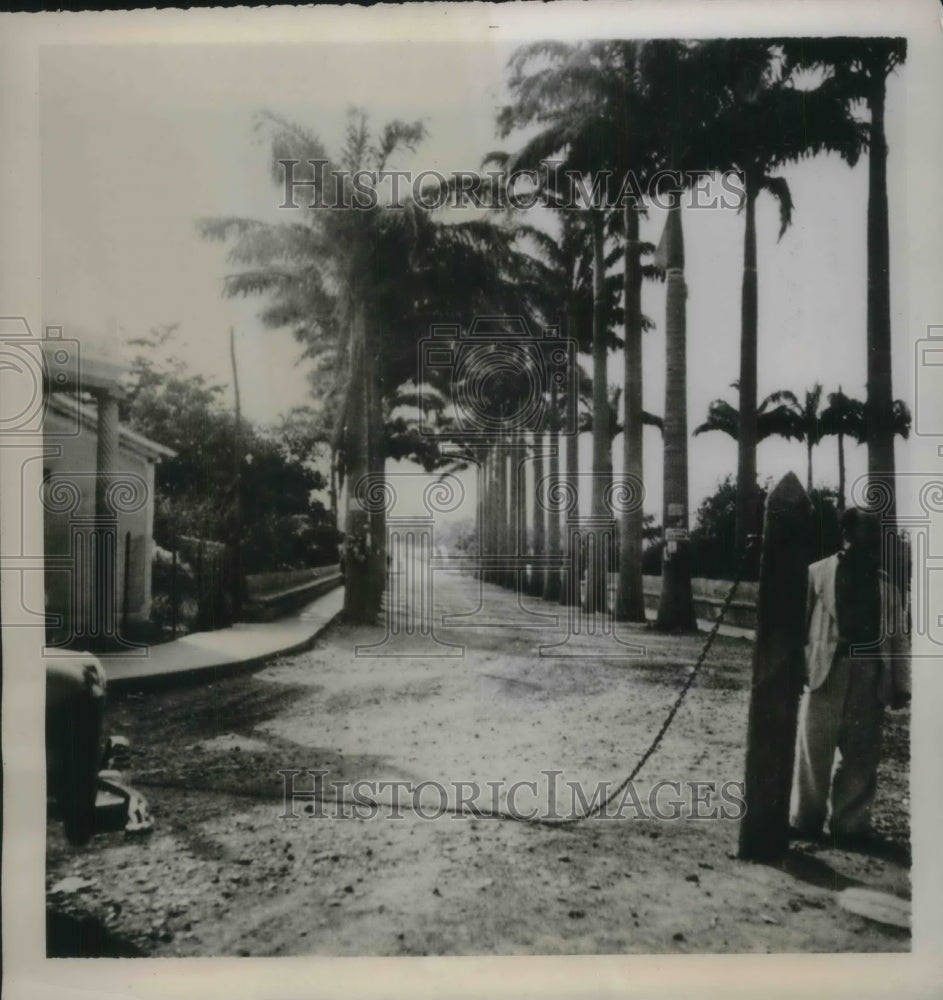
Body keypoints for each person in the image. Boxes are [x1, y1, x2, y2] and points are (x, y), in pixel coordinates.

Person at [790, 507, 910, 842]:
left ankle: (851, 825)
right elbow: (799, 625)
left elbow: (898, 637)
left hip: (870, 673)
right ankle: (806, 820)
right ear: (846, 533)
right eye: (866, 531)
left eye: (875, 532)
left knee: (862, 752)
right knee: (814, 748)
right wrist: (797, 669)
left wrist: (901, 685)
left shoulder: (887, 586)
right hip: (826, 669)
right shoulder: (816, 574)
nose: (873, 538)